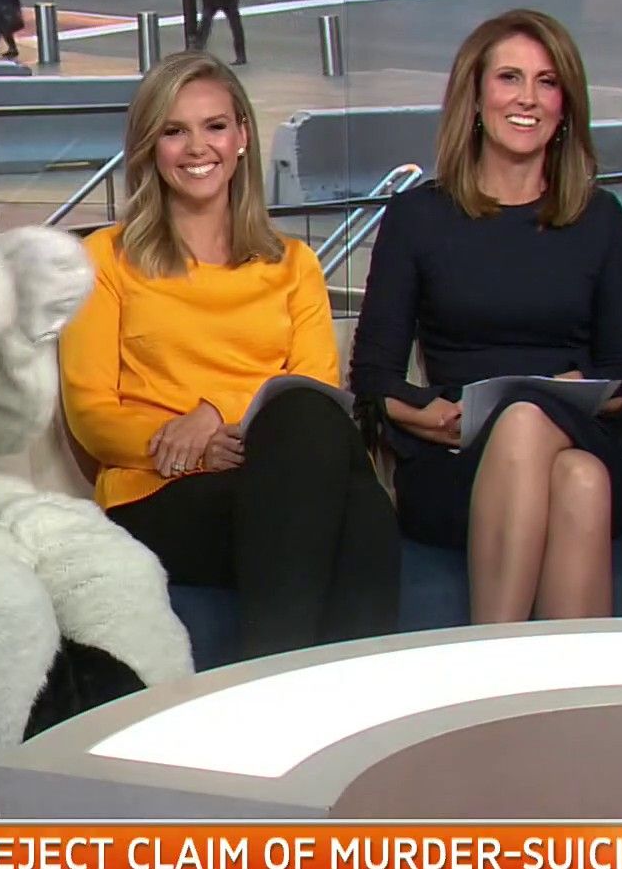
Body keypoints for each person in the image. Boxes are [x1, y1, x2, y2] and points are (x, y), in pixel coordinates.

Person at [60, 51, 398, 658]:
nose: (197, 148)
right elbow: (90, 413)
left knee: (320, 441)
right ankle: (324, 692)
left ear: (242, 136)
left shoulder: (294, 264)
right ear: (149, 146)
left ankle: (278, 680)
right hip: (158, 493)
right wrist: (192, 448)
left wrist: (217, 415)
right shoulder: (105, 258)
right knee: (359, 510)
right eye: (174, 131)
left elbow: (316, 394)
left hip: (279, 472)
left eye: (214, 126)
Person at [350, 10, 622, 624]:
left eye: (547, 81)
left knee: (536, 426)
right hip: (457, 459)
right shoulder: (417, 218)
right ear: (477, 97)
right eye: (510, 78)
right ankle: (553, 684)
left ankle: (491, 660)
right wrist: (427, 414)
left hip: (579, 429)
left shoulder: (600, 218)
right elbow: (374, 376)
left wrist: (563, 394)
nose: (528, 98)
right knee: (579, 481)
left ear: (566, 105)